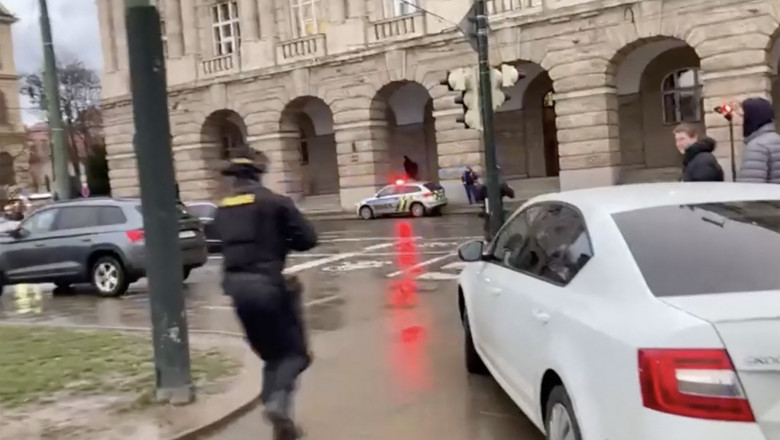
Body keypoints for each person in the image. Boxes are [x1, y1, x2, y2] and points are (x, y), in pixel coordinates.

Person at [215, 149, 317, 440]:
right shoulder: (275, 203)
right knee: (296, 355)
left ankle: (281, 428)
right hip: (270, 289)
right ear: (258, 174)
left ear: (234, 179)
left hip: (237, 293)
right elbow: (308, 239)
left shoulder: (222, 209)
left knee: (272, 357)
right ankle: (276, 405)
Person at [736, 97, 780, 183]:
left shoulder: (757, 146)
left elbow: (749, 187)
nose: (739, 121)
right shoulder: (777, 139)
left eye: (742, 116)